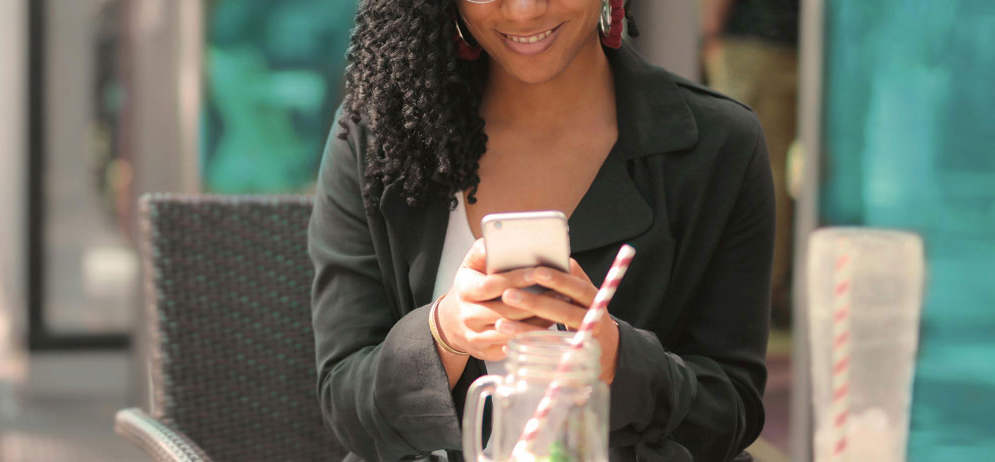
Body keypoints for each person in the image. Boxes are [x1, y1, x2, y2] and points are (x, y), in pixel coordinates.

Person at [308, 0, 773, 461]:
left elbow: (731, 414)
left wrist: (618, 360)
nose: (525, 10)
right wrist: (443, 334)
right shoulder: (379, 136)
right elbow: (346, 404)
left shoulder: (719, 146)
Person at [702, 0, 799, 327]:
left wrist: (710, 31)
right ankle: (771, 288)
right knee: (777, 171)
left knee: (748, 168)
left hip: (754, 46)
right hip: (806, 45)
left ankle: (756, 290)